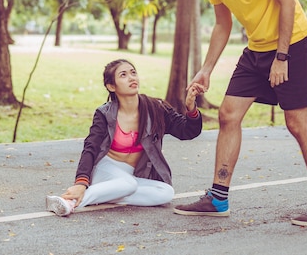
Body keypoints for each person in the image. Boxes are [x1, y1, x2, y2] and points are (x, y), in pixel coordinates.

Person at [166, 0, 307, 226]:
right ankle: (218, 197)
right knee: (228, 113)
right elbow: (223, 24)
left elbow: (287, 2)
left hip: (292, 43)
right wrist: (206, 69)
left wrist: (282, 56)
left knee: (297, 123)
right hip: (257, 47)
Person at [45, 59, 205, 216]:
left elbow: (187, 132)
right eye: (123, 75)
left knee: (166, 193)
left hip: (132, 175)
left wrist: (191, 107)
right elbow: (90, 148)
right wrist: (81, 183)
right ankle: (69, 202)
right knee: (128, 184)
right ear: (111, 86)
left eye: (133, 72)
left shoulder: (155, 109)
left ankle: (109, 195)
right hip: (106, 170)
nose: (131, 78)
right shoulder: (105, 114)